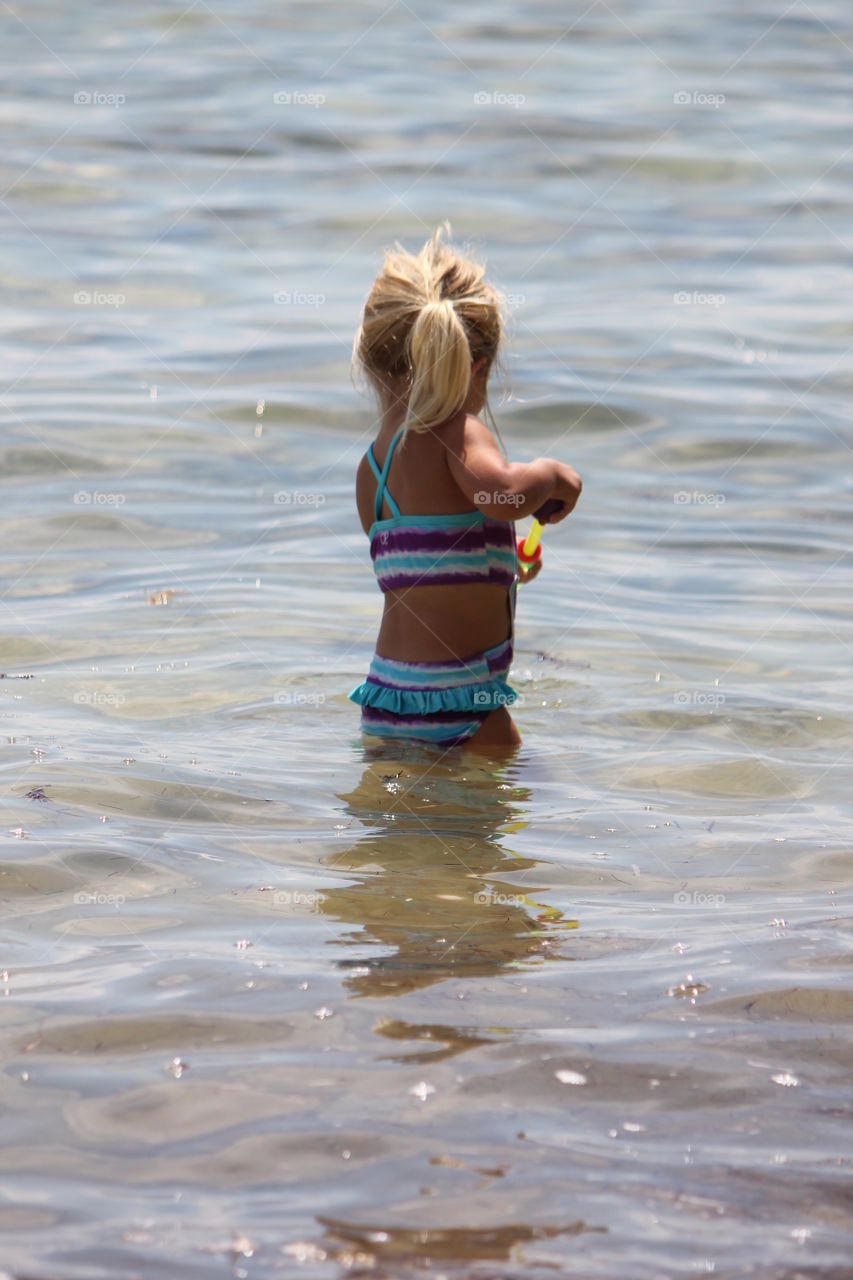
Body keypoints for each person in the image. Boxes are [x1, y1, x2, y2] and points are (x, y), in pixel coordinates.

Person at [349, 223, 582, 752]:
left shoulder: (373, 470)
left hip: (388, 699)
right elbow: (502, 492)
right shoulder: (459, 432)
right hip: (463, 705)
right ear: (476, 368)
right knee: (511, 816)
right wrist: (553, 475)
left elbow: (426, 569)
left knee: (403, 830)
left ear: (371, 362)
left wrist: (501, 564)